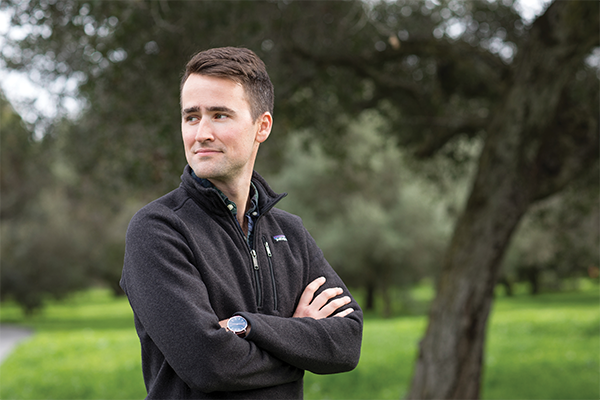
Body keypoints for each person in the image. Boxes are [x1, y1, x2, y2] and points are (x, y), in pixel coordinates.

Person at [120, 46, 363, 399]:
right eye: (191, 116)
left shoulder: (289, 233)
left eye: (219, 115)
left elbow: (346, 342)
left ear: (261, 126)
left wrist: (245, 326)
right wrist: (299, 338)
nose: (201, 132)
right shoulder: (157, 230)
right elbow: (209, 365)